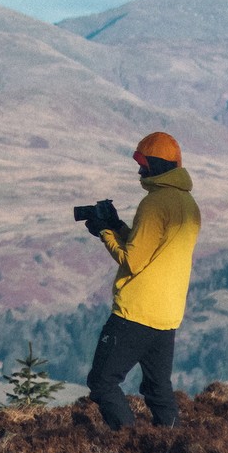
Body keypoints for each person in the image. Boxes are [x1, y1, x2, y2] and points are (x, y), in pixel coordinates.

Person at [84, 131, 202, 430]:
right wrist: (117, 225)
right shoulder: (188, 205)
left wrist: (104, 232)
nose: (139, 171)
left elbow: (132, 260)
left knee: (102, 382)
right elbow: (150, 249)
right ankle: (175, 448)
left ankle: (132, 442)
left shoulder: (154, 204)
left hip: (136, 312)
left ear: (155, 166)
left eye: (143, 164)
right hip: (167, 314)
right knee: (157, 388)